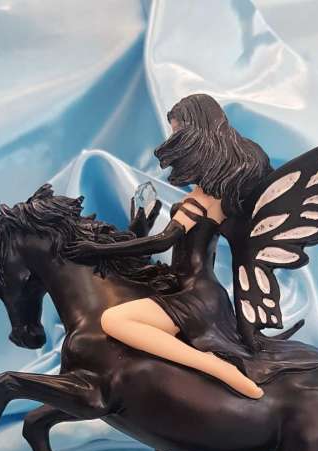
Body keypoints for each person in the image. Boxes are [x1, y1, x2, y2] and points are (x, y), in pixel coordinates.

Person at [69, 94, 272, 399]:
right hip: (187, 287)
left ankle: (216, 367)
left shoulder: (203, 199)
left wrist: (97, 250)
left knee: (114, 320)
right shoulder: (211, 195)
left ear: (196, 136)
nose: (174, 140)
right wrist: (140, 226)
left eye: (178, 132)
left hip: (195, 295)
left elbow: (164, 241)